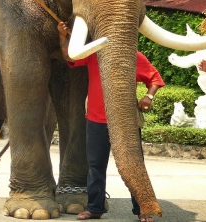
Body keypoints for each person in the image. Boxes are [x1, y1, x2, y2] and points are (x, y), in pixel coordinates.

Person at [58, 21, 163, 222]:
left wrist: (149, 97)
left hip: (125, 122)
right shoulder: (93, 55)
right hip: (96, 120)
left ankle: (142, 209)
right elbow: (69, 57)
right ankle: (95, 208)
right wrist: (63, 37)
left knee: (134, 164)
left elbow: (154, 79)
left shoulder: (133, 56)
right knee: (95, 166)